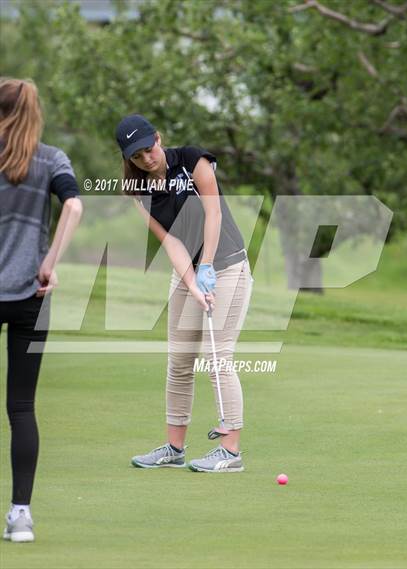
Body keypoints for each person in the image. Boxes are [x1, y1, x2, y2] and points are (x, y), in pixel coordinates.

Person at [115, 114, 253, 473]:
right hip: (188, 272)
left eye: (150, 148)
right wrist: (192, 282)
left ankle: (231, 451)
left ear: (159, 138)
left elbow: (213, 213)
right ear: (129, 159)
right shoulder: (138, 191)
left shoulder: (194, 161)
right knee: (179, 361)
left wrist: (206, 266)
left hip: (227, 267)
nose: (147, 158)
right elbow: (171, 242)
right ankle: (174, 448)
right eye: (138, 155)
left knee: (217, 357)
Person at [0, 78, 83, 542]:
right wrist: (49, 264)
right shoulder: (52, 159)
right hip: (32, 300)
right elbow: (74, 207)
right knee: (21, 407)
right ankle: (20, 517)